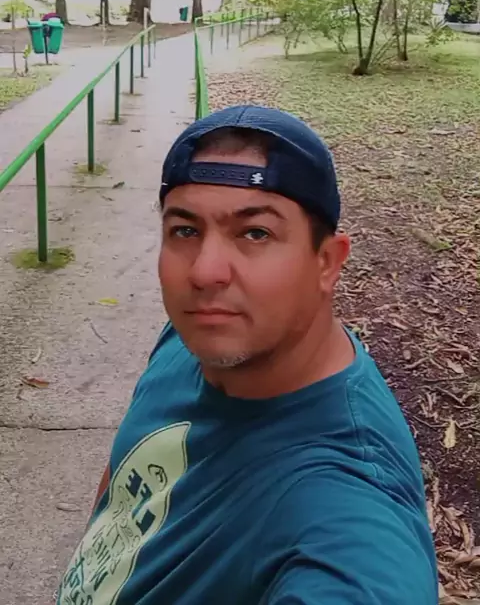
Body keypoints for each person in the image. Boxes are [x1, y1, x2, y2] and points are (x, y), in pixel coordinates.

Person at [57, 105, 438, 605]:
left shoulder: (346, 502)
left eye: (255, 233)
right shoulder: (193, 337)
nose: (205, 272)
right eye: (185, 231)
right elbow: (125, 483)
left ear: (327, 262)